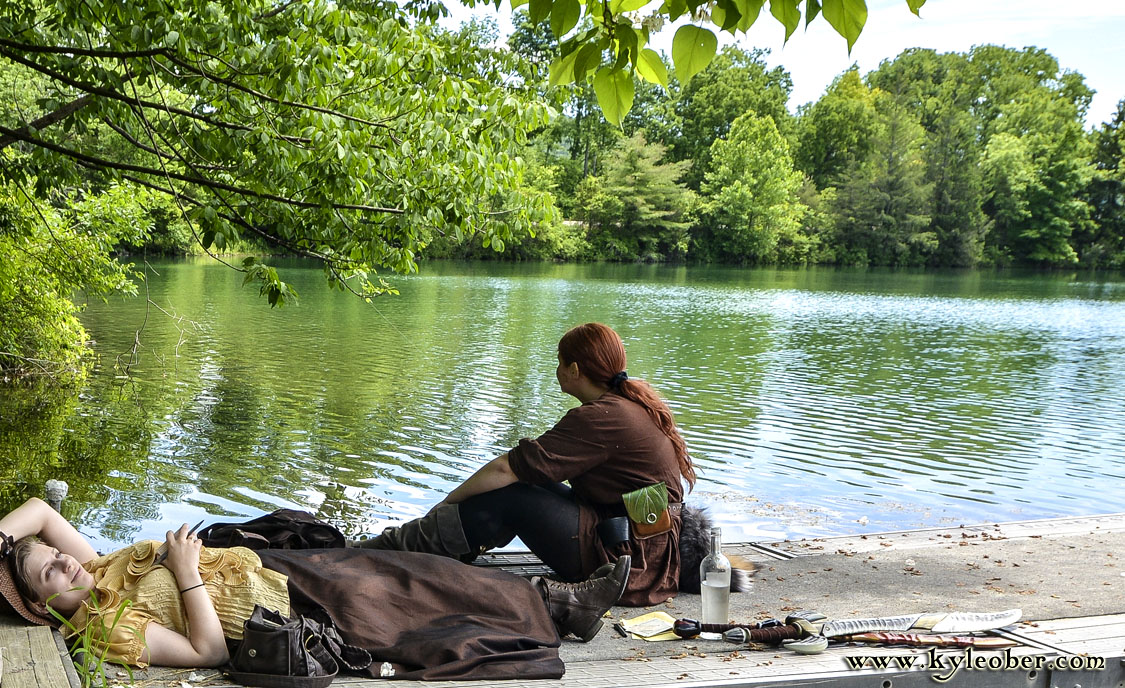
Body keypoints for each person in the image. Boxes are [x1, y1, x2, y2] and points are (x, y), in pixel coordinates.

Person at [0, 497, 631, 680]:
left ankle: (557, 600)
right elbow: (208, 653)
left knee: (405, 570)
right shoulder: (105, 625)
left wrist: (7, 550)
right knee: (406, 603)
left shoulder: (97, 567)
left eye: (59, 556)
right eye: (50, 571)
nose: (67, 563)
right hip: (281, 613)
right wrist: (186, 572)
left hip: (273, 569)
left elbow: (36, 511)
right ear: (38, 604)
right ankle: (559, 608)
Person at [353, 322, 696, 606]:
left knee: (510, 493)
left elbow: (506, 468)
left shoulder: (602, 416)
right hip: (639, 546)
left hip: (627, 563)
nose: (556, 369)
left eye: (560, 362)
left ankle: (396, 547)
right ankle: (430, 546)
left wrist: (446, 502)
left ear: (575, 370)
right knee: (524, 485)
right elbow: (530, 469)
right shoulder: (624, 405)